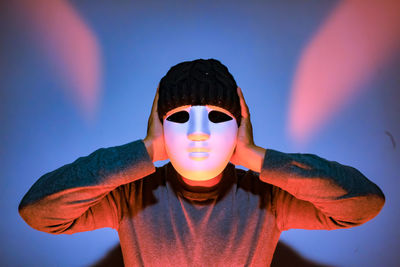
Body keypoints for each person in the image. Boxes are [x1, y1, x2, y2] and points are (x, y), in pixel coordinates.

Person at [19, 59, 385, 266]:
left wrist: (255, 157)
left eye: (217, 117)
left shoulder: (270, 199)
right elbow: (39, 211)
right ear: (159, 125)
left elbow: (362, 203)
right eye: (179, 116)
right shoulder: (129, 196)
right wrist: (145, 152)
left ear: (239, 124)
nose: (198, 133)